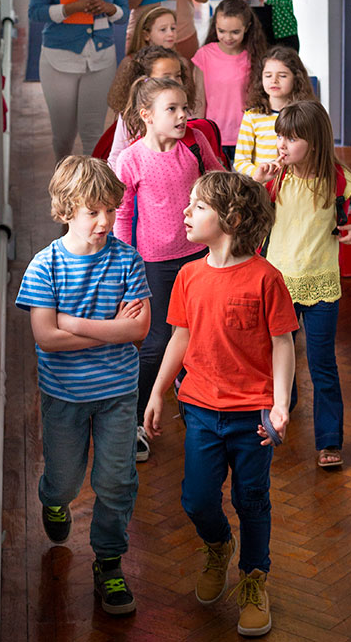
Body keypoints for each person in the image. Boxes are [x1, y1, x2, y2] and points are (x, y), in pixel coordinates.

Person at [143, 170, 298, 636]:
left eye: (198, 207)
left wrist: (282, 404)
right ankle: (217, 545)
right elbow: (180, 338)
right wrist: (156, 390)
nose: (185, 212)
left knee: (252, 500)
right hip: (200, 412)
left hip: (253, 416)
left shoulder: (266, 279)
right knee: (197, 499)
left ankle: (254, 578)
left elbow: (283, 343)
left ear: (230, 218)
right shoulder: (189, 276)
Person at [15, 156, 151, 615]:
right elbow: (46, 338)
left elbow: (137, 331)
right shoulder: (44, 266)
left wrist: (72, 321)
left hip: (118, 394)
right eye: (93, 211)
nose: (105, 220)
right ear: (67, 208)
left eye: (111, 210)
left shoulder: (127, 258)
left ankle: (109, 563)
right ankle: (52, 499)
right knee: (66, 480)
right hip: (65, 397)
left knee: (116, 482)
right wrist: (105, 325)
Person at [253, 100, 351, 468]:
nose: (282, 145)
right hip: (278, 285)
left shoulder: (337, 178)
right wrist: (257, 181)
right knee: (274, 357)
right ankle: (280, 410)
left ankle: (329, 441)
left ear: (315, 142)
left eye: (291, 138)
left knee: (322, 364)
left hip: (322, 287)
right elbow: (242, 208)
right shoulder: (276, 177)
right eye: (279, 137)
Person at [114, 77, 221, 461]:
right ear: (146, 116)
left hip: (199, 258)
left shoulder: (195, 143)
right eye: (171, 110)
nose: (182, 116)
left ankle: (201, 414)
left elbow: (216, 181)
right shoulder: (131, 159)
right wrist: (127, 266)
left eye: (184, 108)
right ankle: (136, 422)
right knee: (157, 342)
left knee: (199, 337)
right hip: (154, 264)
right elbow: (123, 216)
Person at [28, 0, 130, 161]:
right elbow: (35, 11)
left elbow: (123, 15)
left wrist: (108, 8)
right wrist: (68, 8)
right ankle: (63, 192)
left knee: (94, 133)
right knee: (63, 136)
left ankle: (91, 196)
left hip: (101, 59)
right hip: (59, 59)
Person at [192, 0, 267, 163]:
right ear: (215, 27)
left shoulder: (254, 57)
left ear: (246, 28)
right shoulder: (204, 55)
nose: (228, 37)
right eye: (222, 31)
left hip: (247, 135)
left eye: (235, 32)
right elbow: (199, 99)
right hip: (214, 135)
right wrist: (198, 132)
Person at [108, 45, 195, 171]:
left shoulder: (183, 111)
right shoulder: (130, 116)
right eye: (166, 77)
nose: (174, 81)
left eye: (178, 75)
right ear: (146, 80)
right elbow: (116, 156)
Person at [233, 46, 314, 177]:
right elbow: (240, 161)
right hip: (264, 187)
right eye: (268, 75)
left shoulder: (306, 115)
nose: (274, 80)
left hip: (297, 185)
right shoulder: (252, 116)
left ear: (296, 79)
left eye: (282, 75)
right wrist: (261, 173)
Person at [107, 6, 181, 115]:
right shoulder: (131, 62)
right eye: (163, 29)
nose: (170, 34)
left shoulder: (180, 61)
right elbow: (117, 102)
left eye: (173, 28)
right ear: (146, 35)